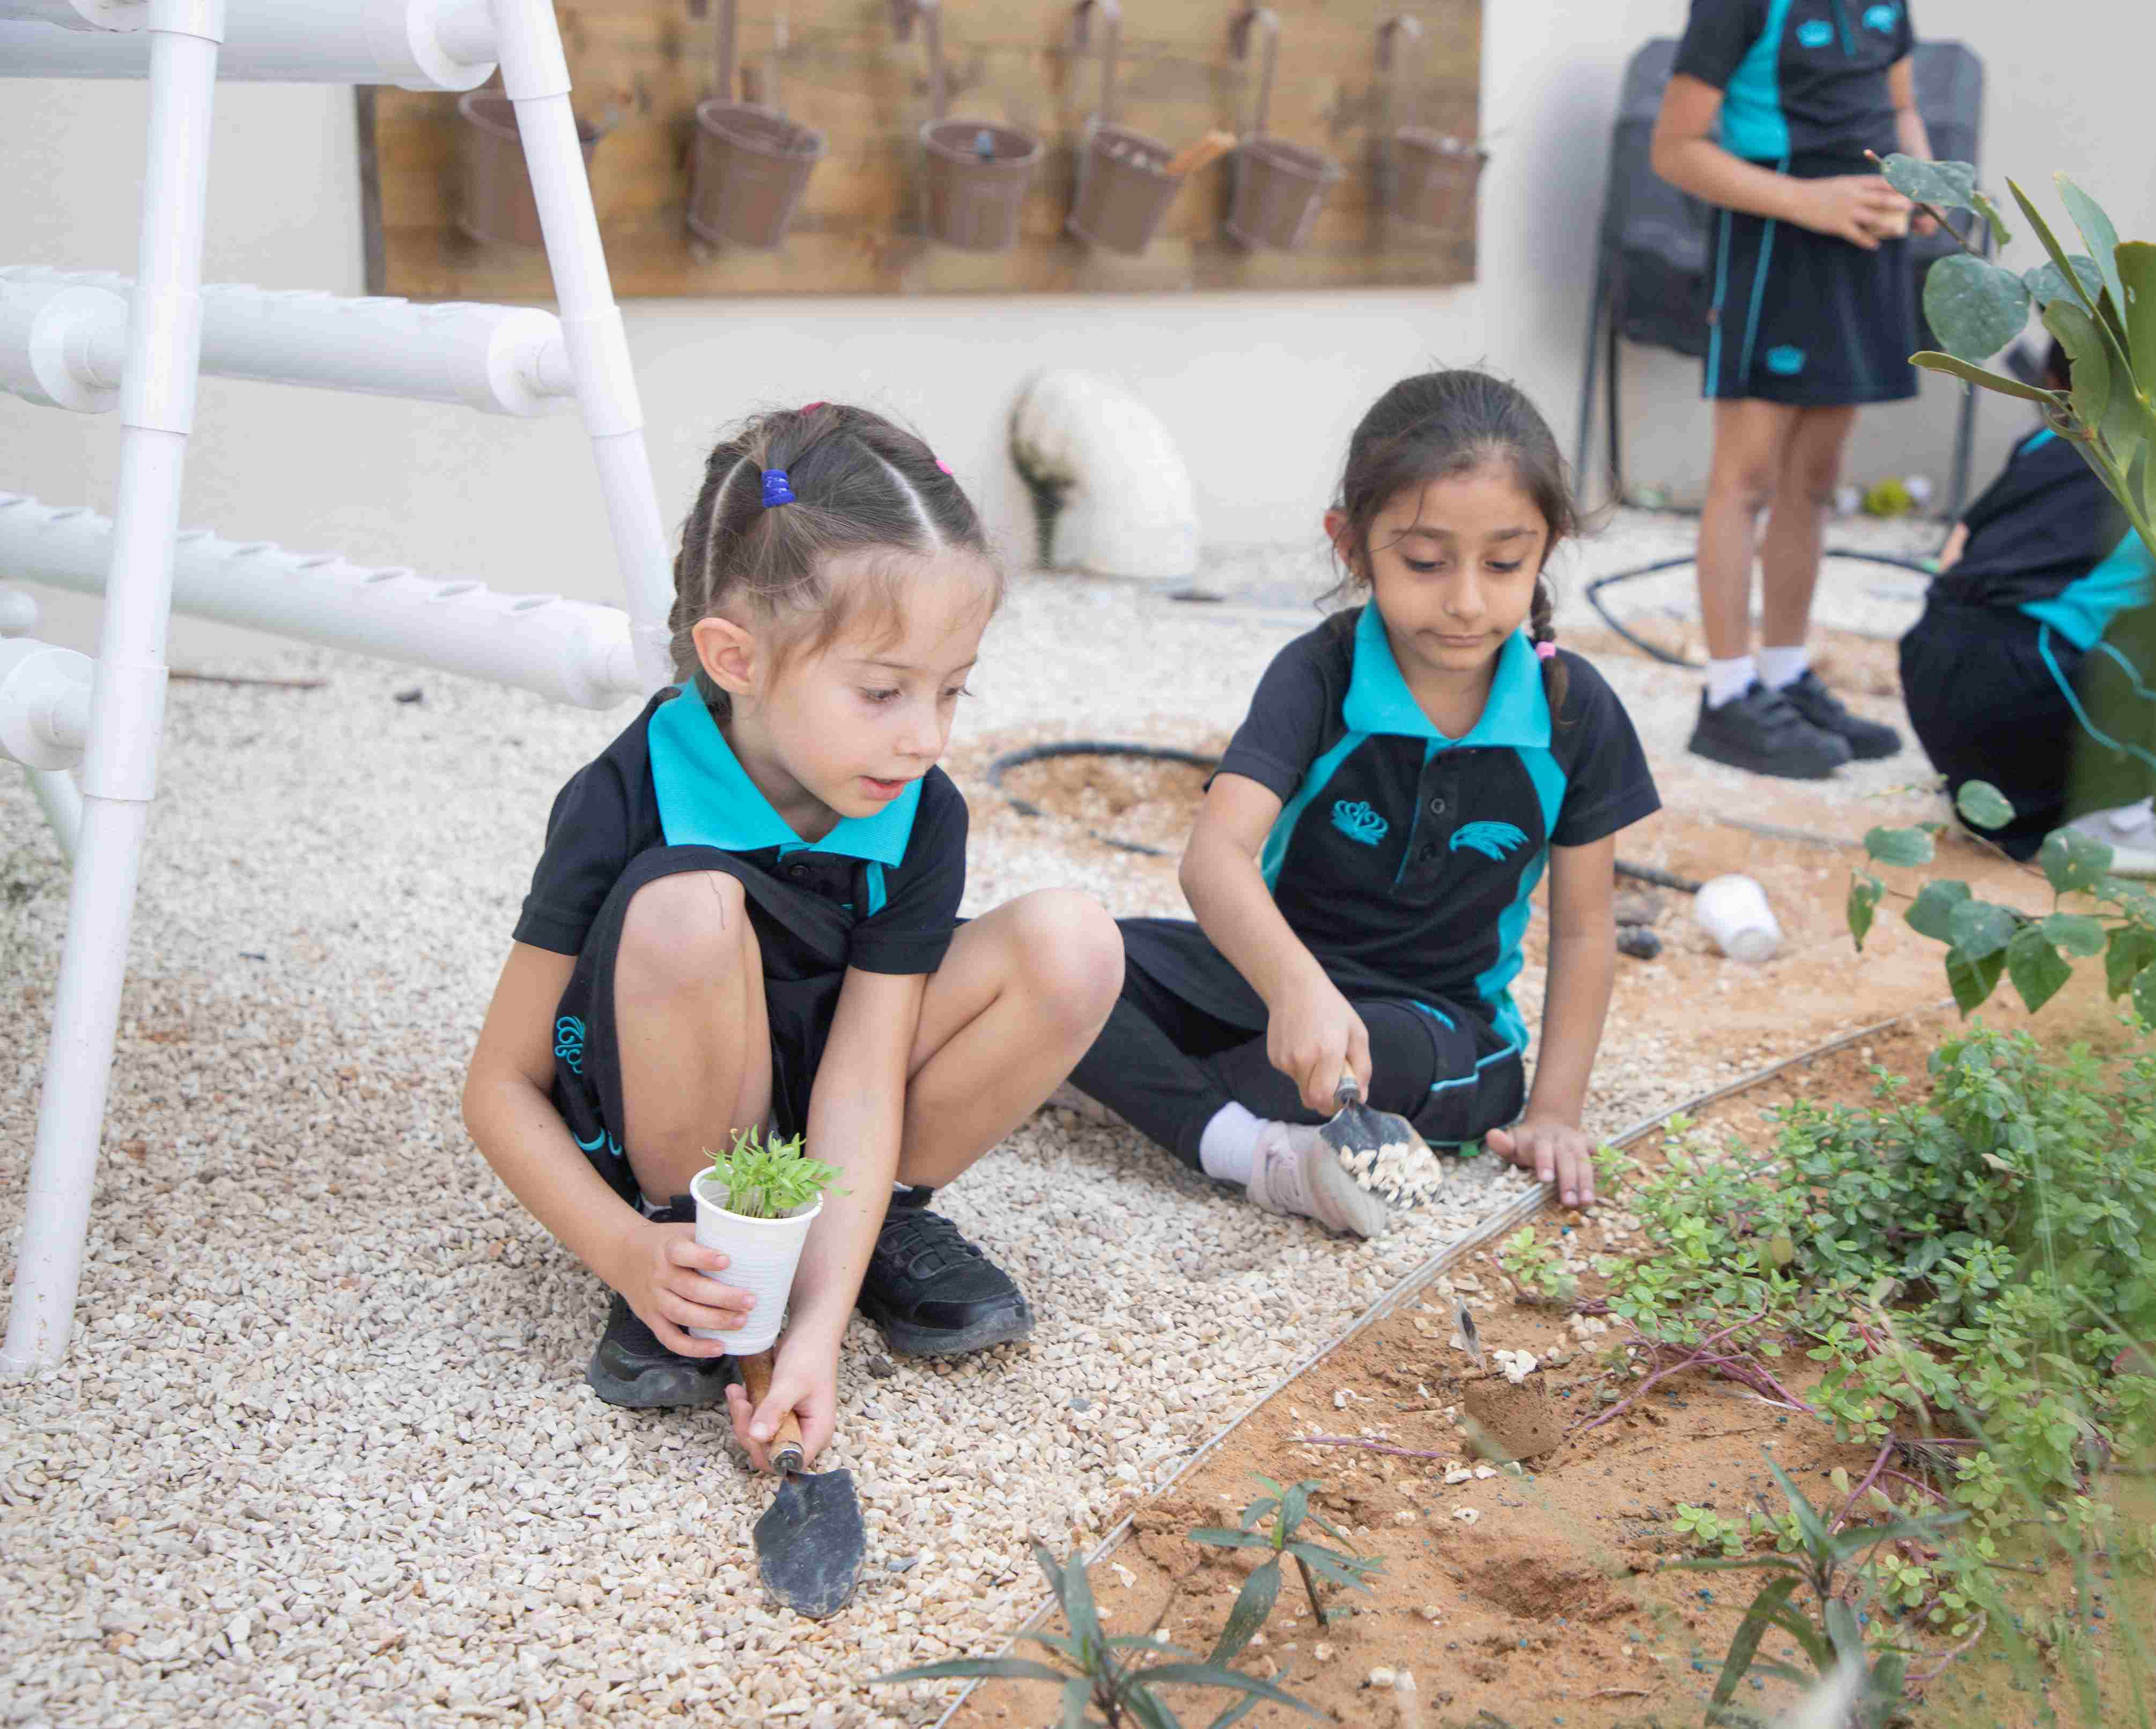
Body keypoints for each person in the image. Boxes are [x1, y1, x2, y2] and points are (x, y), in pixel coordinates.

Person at [462, 403, 1123, 1471]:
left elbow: (863, 1075)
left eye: (952, 691)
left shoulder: (919, 808)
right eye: (881, 691)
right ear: (738, 658)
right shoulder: (625, 794)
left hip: (826, 1105)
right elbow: (499, 1084)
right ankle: (703, 1256)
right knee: (688, 908)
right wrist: (625, 1248)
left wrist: (816, 1333)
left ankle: (872, 1232)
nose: (927, 736)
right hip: (671, 1118)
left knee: (1075, 942)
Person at [1064, 372, 1662, 1233]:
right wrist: (1297, 990)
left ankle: (1188, 1118)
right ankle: (1183, 1100)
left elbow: (1583, 928)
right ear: (1351, 545)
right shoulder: (1320, 673)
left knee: (1324, 1072)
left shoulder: (1574, 708)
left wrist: (1556, 1111)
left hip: (1436, 1023)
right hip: (1273, 977)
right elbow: (1215, 858)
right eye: (1424, 561)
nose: (1465, 599)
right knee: (1044, 963)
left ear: (1548, 546)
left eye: (1503, 564)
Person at [1651, 0, 1928, 779]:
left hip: (1864, 244)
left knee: (1814, 480)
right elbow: (1675, 150)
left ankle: (1782, 674)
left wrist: (1925, 182)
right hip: (1775, 239)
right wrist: (1810, 201)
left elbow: (1900, 105)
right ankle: (1728, 696)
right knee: (1745, 479)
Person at [1899, 343, 2156, 876]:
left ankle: (2001, 801)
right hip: (2027, 684)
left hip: (1930, 663)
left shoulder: (2048, 440)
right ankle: (2111, 817)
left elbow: (1955, 552)